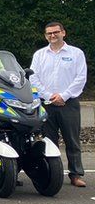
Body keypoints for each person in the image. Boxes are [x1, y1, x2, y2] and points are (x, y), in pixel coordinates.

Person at [30, 21, 88, 187]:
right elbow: (33, 78)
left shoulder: (76, 53)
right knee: (49, 140)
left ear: (64, 33)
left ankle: (76, 174)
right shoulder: (39, 55)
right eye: (49, 33)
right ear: (45, 35)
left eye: (56, 32)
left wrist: (64, 96)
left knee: (72, 140)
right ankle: (52, 173)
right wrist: (48, 95)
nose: (52, 35)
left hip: (69, 103)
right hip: (46, 104)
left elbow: (81, 77)